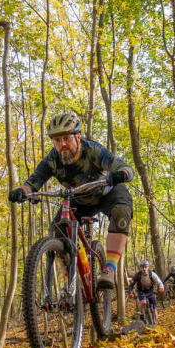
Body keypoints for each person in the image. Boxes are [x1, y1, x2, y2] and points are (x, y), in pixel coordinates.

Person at [8, 112, 134, 289]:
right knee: (57, 229)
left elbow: (124, 167)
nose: (62, 144)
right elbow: (33, 183)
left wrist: (121, 174)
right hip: (79, 198)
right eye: (57, 140)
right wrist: (21, 192)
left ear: (78, 136)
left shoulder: (93, 150)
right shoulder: (52, 160)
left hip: (108, 192)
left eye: (66, 138)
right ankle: (72, 280)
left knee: (121, 213)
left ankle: (109, 269)